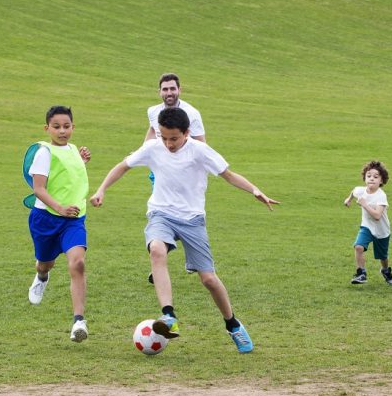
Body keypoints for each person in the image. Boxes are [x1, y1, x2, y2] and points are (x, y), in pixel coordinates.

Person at [90, 107, 278, 353]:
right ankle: (168, 316)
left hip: (192, 219)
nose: (169, 144)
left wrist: (255, 189)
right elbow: (122, 166)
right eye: (165, 138)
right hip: (161, 213)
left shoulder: (199, 151)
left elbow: (228, 175)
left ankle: (233, 325)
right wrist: (101, 189)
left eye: (174, 139)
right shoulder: (153, 147)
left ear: (187, 133)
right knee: (156, 250)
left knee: (209, 279)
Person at [24, 106, 92, 342]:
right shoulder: (44, 152)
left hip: (73, 220)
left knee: (78, 262)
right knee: (45, 264)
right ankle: (42, 278)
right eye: (56, 127)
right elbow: (38, 189)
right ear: (47, 128)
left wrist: (81, 161)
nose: (62, 131)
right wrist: (60, 208)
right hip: (46, 219)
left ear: (73, 127)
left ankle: (78, 321)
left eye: (66, 126)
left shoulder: (73, 149)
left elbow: (70, 177)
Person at [144, 73, 207, 282]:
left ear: (179, 90)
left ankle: (192, 257)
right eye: (165, 89)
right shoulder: (153, 112)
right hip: (161, 171)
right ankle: (158, 260)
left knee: (185, 213)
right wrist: (141, 154)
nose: (169, 93)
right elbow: (152, 133)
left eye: (172, 89)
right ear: (159, 91)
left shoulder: (191, 113)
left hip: (186, 175)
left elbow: (201, 144)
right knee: (163, 211)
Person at [345, 160, 392, 286]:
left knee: (382, 257)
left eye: (375, 176)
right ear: (364, 178)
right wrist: (348, 199)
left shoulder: (381, 196)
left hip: (381, 231)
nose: (371, 179)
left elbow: (377, 216)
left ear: (382, 181)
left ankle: (385, 270)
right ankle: (361, 273)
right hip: (367, 227)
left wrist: (365, 204)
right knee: (358, 246)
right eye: (369, 176)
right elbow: (354, 191)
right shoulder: (361, 190)